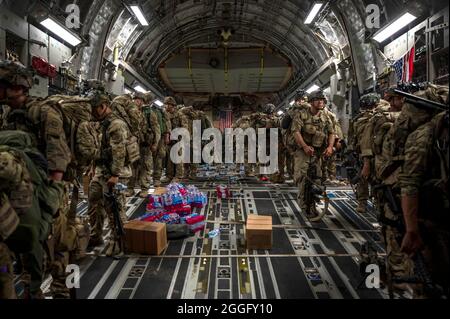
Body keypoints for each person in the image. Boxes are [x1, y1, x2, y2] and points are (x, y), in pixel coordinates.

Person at [291, 89, 335, 218]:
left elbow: (332, 132)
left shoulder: (326, 116)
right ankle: (304, 205)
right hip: (303, 151)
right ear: (311, 102)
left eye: (323, 100)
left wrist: (330, 147)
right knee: (303, 177)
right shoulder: (301, 114)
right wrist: (304, 146)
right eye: (318, 100)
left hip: (319, 152)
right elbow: (296, 132)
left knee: (318, 178)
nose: (321, 102)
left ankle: (313, 204)